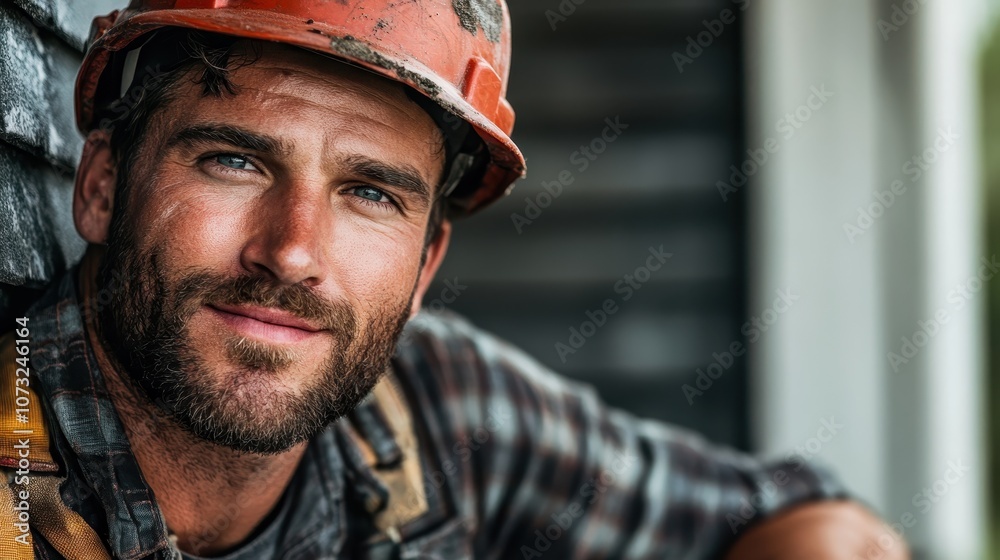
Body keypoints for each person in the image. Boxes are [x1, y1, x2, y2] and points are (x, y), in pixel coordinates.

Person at [0, 0, 907, 558]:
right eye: (234, 161)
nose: (292, 252)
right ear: (102, 185)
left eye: (368, 194)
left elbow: (800, 519)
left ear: (427, 263)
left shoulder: (437, 404)